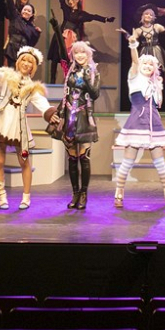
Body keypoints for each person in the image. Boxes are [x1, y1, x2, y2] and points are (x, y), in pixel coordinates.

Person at [0, 47, 60, 210]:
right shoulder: (7, 77)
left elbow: (42, 103)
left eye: (30, 62)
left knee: (24, 162)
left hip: (18, 126)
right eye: (24, 60)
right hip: (2, 123)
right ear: (18, 62)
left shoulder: (32, 88)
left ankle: (26, 197)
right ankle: (1, 197)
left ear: (33, 67)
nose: (26, 64)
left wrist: (50, 113)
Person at [113, 35, 165, 208]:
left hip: (153, 124)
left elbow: (157, 104)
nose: (147, 66)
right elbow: (134, 61)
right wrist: (133, 45)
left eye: (151, 64)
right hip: (136, 123)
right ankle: (119, 192)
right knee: (127, 161)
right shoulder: (134, 77)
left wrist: (158, 85)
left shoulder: (155, 84)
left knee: (160, 162)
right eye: (145, 64)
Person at [48, 41, 101, 209]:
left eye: (83, 52)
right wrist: (58, 113)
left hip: (84, 118)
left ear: (88, 54)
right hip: (69, 117)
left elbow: (95, 94)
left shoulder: (93, 72)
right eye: (76, 53)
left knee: (84, 158)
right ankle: (75, 193)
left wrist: (86, 77)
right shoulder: (71, 71)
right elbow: (66, 96)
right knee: (71, 158)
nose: (80, 55)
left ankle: (84, 194)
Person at [47, 0, 114, 83]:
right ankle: (52, 82)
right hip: (61, 37)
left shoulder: (81, 14)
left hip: (71, 40)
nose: (70, 1)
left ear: (77, 0)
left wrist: (106, 19)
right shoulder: (66, 9)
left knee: (69, 61)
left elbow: (93, 16)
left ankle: (70, 82)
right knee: (55, 59)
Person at [129, 3, 165, 86]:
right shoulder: (138, 30)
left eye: (151, 15)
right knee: (143, 70)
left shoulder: (157, 27)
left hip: (157, 51)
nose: (148, 16)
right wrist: (130, 38)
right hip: (144, 52)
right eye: (146, 14)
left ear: (153, 17)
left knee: (158, 70)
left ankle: (158, 88)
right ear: (142, 16)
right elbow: (133, 42)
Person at [4, 0, 41, 65]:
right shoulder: (15, 16)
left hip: (23, 52)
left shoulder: (31, 26)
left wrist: (37, 33)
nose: (26, 12)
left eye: (29, 11)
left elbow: (32, 42)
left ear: (32, 14)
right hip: (12, 49)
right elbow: (10, 2)